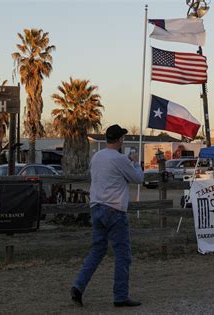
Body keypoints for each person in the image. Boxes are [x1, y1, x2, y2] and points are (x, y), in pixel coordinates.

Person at [70, 124, 144, 308]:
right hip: (114, 209)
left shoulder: (97, 157)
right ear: (119, 140)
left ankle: (78, 286)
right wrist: (135, 163)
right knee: (122, 254)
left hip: (96, 207)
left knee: (97, 250)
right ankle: (120, 296)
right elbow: (138, 178)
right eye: (122, 138)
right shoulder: (120, 159)